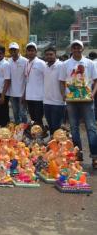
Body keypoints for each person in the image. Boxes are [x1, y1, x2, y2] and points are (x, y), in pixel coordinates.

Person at [59, 39, 97, 167]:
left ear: (82, 49)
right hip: (71, 100)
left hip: (87, 99)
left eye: (78, 47)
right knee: (74, 128)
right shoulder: (65, 64)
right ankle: (77, 155)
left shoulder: (90, 63)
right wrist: (63, 94)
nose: (76, 49)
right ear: (71, 49)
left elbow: (96, 81)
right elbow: (61, 81)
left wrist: (93, 93)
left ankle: (95, 156)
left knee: (91, 127)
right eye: (74, 47)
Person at [43, 46, 65, 135]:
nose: (49, 56)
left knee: (56, 127)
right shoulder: (45, 66)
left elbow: (64, 82)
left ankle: (59, 145)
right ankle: (53, 145)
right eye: (47, 55)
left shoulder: (61, 65)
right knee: (50, 126)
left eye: (51, 54)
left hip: (58, 102)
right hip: (47, 101)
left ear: (55, 55)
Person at [24, 42, 46, 125]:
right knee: (32, 118)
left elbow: (46, 78)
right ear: (26, 52)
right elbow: (27, 79)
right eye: (29, 50)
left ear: (36, 52)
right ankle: (34, 136)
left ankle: (39, 136)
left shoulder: (41, 63)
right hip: (29, 96)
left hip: (39, 97)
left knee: (38, 119)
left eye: (32, 50)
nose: (30, 52)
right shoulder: (27, 63)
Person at [8, 42, 28, 124]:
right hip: (12, 93)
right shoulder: (8, 61)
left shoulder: (25, 61)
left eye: (15, 50)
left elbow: (27, 78)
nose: (13, 52)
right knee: (15, 113)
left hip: (22, 93)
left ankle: (25, 130)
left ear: (18, 50)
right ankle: (17, 131)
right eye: (11, 50)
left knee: (23, 113)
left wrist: (25, 93)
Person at [0, 45, 11, 127]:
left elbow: (7, 81)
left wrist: (3, 96)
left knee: (4, 113)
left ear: (4, 54)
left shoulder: (6, 64)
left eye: (0, 53)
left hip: (3, 93)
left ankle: (5, 130)